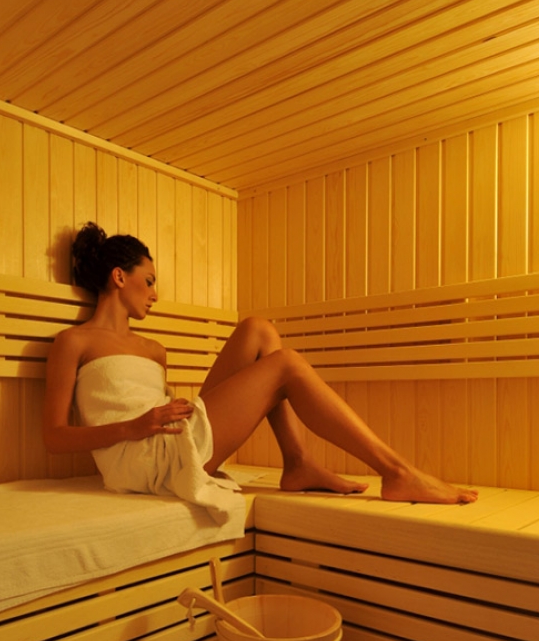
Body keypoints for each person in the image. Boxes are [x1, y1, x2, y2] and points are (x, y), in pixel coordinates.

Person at [43, 223, 477, 521]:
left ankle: (298, 462)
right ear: (120, 277)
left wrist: (160, 417)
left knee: (259, 330)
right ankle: (397, 471)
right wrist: (134, 427)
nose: (155, 294)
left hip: (167, 438)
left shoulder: (153, 350)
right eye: (150, 280)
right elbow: (54, 436)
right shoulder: (74, 343)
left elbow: (160, 410)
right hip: (140, 462)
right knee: (287, 363)